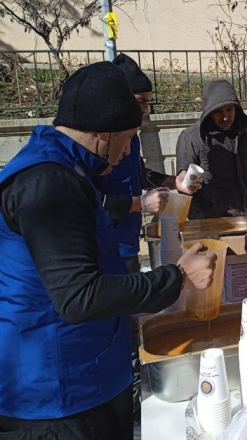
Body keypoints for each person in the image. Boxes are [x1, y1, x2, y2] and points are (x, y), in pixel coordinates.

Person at [0, 61, 216, 440]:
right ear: (103, 133)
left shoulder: (67, 169)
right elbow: (79, 297)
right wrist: (177, 276)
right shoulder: (49, 184)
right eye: (129, 136)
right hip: (59, 395)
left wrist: (125, 315)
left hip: (86, 372)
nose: (129, 148)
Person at [95, 53, 195, 274]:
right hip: (104, 247)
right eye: (141, 101)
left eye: (147, 102)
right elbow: (89, 203)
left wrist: (173, 181)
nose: (145, 109)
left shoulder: (132, 137)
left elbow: (139, 174)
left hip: (128, 243)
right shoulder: (98, 143)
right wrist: (138, 204)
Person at [176, 80, 247, 220]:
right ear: (208, 112)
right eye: (218, 112)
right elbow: (184, 180)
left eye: (229, 110)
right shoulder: (192, 137)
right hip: (215, 221)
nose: (225, 117)